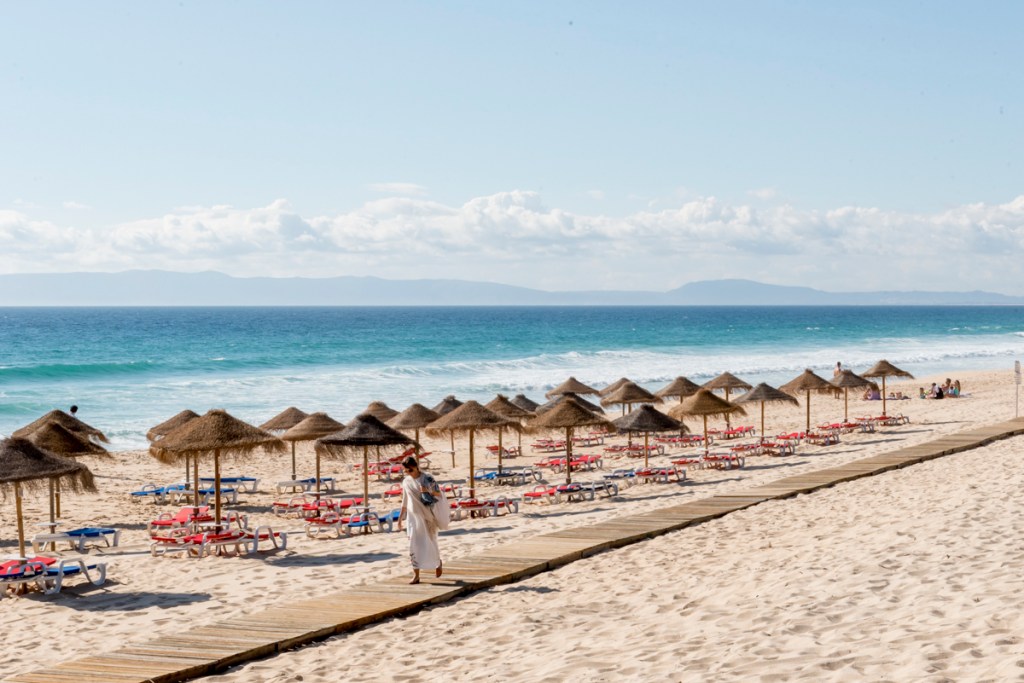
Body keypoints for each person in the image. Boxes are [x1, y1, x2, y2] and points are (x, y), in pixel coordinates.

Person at [397, 456, 444, 585]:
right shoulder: (406, 482)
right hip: (412, 517)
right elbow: (405, 500)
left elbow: (439, 494)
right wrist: (400, 518)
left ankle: (437, 562)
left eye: (410, 470)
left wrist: (428, 490)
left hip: (426, 515)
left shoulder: (427, 478)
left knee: (430, 540)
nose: (408, 473)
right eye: (406, 471)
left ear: (416, 467)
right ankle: (416, 575)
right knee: (413, 544)